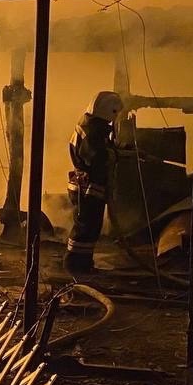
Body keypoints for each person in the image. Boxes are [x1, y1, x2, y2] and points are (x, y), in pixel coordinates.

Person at [64, 90, 124, 274]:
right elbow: (96, 158)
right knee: (85, 229)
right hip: (87, 188)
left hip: (88, 187)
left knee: (90, 228)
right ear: (109, 111)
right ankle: (75, 265)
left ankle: (84, 264)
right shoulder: (91, 130)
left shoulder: (92, 125)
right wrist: (114, 155)